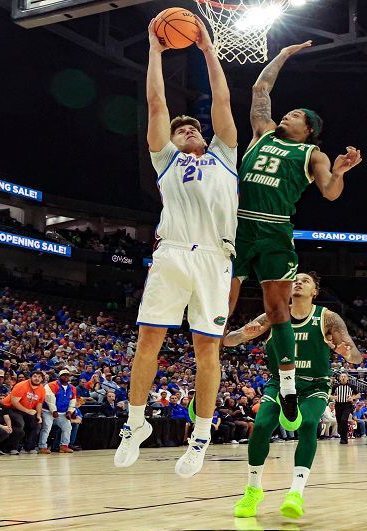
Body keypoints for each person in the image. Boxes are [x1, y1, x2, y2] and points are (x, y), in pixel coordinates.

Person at [116, 17, 238, 480]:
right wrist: (154, 50)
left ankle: (201, 436)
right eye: (179, 129)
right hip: (170, 254)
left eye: (191, 128)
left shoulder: (224, 157)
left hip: (212, 256)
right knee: (149, 339)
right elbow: (155, 103)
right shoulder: (165, 161)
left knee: (207, 350)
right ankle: (134, 423)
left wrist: (208, 50)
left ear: (205, 136)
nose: (185, 130)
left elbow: (223, 99)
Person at [227, 39, 363, 438]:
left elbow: (331, 193)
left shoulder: (313, 154)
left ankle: (286, 381)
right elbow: (260, 91)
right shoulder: (263, 132)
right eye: (290, 111)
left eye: (298, 115)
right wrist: (283, 55)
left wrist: (340, 171)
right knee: (223, 298)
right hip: (238, 223)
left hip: (273, 228)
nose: (288, 114)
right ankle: (212, 351)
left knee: (275, 308)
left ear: (309, 130)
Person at [224, 272, 362, 519]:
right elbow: (229, 341)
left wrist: (345, 352)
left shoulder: (328, 318)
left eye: (305, 280)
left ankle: (296, 492)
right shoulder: (274, 315)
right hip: (278, 384)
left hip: (313, 385)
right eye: (295, 279)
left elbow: (356, 356)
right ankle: (253, 490)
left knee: (308, 424)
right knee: (262, 426)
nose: (298, 282)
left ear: (315, 292)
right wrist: (245, 333)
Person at [2, 371, 45, 453]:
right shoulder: (21, 385)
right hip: (10, 408)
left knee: (36, 424)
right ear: (30, 377)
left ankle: (29, 448)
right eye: (35, 376)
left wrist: (38, 415)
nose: (37, 378)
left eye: (39, 377)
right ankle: (13, 448)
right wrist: (27, 411)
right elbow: (14, 402)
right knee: (19, 423)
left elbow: (39, 403)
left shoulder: (41, 389)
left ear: (42, 379)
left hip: (25, 410)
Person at [40, 369, 77, 454]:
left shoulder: (72, 388)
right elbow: (49, 398)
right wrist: (54, 411)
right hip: (48, 411)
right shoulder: (51, 385)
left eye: (68, 375)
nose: (66, 377)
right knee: (46, 428)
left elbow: (73, 400)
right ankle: (42, 446)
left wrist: (70, 411)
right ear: (59, 376)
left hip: (62, 412)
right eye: (64, 375)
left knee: (68, 427)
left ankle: (64, 446)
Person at [331, 373, 358, 444]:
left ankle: (344, 438)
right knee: (339, 421)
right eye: (342, 376)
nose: (343, 377)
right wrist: (333, 397)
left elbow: (358, 395)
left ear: (347, 378)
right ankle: (341, 433)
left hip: (347, 405)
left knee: (344, 420)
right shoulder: (335, 386)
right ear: (339, 378)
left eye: (344, 376)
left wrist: (352, 398)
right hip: (338, 405)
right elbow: (330, 395)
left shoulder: (352, 386)